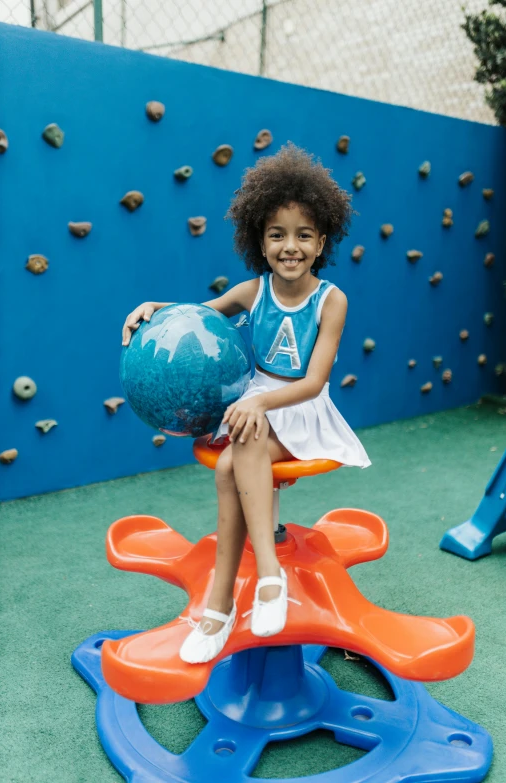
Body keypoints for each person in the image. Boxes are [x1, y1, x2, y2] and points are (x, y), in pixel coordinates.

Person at [121, 143, 371, 664]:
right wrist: (153, 307)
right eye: (277, 234)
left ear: (322, 240)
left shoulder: (331, 300)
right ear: (260, 239)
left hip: (299, 407)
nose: (290, 246)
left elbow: (314, 380)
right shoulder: (252, 292)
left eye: (304, 235)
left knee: (244, 444)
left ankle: (261, 585)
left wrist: (261, 406)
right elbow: (196, 314)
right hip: (252, 407)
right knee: (231, 463)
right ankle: (231, 601)